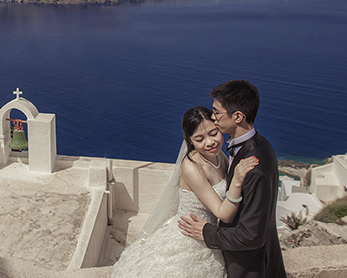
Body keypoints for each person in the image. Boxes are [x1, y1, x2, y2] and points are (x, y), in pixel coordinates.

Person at [111, 106, 258, 278]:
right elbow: (223, 213)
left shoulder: (220, 157)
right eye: (199, 139)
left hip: (209, 234)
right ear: (190, 141)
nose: (209, 142)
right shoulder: (191, 167)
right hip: (191, 235)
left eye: (213, 133)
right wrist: (238, 182)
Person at [178, 79, 287, 278]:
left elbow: (251, 235)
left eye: (217, 112)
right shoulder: (259, 146)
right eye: (199, 139)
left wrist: (207, 232)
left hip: (248, 265)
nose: (213, 116)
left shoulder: (253, 167)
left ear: (237, 116)